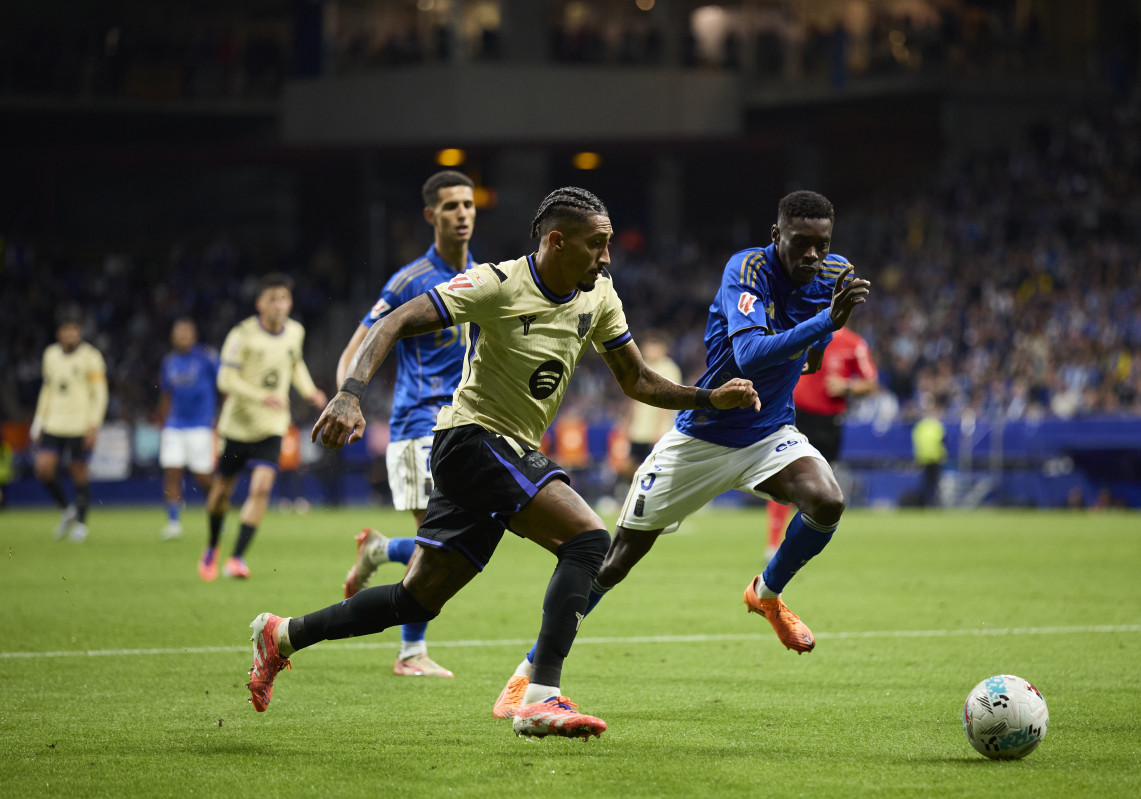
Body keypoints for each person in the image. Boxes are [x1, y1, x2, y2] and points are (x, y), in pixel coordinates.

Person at [243, 187, 759, 740]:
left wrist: (708, 398)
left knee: (415, 598)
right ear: (556, 242)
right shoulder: (497, 283)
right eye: (596, 245)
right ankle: (540, 696)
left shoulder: (600, 296)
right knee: (587, 539)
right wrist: (349, 394)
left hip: (502, 449)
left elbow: (637, 380)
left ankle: (282, 634)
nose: (606, 258)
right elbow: (392, 321)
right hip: (471, 439)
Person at [492, 190, 871, 717]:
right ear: (776, 236)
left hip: (767, 434)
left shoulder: (834, 274)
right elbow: (749, 351)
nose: (812, 255)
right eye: (800, 244)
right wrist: (825, 324)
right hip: (701, 438)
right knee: (614, 561)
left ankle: (766, 592)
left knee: (827, 500)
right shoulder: (749, 270)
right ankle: (527, 675)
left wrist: (821, 340)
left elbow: (808, 359)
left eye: (821, 245)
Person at [338, 170, 477, 679]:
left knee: (460, 540)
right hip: (418, 424)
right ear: (431, 216)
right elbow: (357, 347)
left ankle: (378, 550)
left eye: (467, 204)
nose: (462, 213)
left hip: (465, 426)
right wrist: (345, 398)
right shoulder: (409, 281)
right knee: (437, 546)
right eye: (450, 206)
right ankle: (410, 652)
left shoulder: (484, 275)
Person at [199, 273, 328, 581]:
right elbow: (225, 380)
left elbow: (294, 363)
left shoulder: (295, 331)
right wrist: (261, 396)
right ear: (260, 303)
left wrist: (309, 391)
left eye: (284, 298)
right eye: (272, 299)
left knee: (262, 487)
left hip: (272, 425)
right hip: (237, 426)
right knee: (220, 494)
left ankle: (236, 558)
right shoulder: (241, 335)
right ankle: (212, 547)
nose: (279, 305)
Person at [765, 324, 877, 557]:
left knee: (819, 486)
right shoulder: (802, 333)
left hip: (829, 423)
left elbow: (871, 383)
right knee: (783, 476)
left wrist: (847, 386)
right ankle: (773, 544)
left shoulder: (854, 343)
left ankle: (802, 544)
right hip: (797, 416)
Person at [31, 316, 108, 542]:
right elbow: (47, 389)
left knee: (79, 472)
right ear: (59, 334)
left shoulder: (91, 357)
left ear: (79, 333)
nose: (70, 335)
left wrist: (94, 424)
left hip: (79, 424)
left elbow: (100, 393)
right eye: (66, 331)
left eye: (74, 331)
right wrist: (39, 420)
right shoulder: (50, 355)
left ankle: (81, 524)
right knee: (43, 469)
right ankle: (68, 510)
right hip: (54, 421)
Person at [156, 318, 220, 540]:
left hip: (201, 425)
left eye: (186, 333)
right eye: (179, 333)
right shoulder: (169, 362)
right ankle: (173, 523)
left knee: (203, 477)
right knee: (172, 471)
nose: (183, 337)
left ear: (194, 336)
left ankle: (217, 512)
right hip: (174, 424)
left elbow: (223, 385)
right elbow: (165, 394)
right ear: (173, 337)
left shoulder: (207, 358)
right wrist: (162, 422)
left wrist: (220, 417)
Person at [620, 331, 682, 481]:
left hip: (655, 429)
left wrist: (661, 428)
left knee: (656, 465)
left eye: (651, 347)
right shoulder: (641, 366)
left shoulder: (669, 368)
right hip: (639, 429)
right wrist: (626, 423)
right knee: (632, 463)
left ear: (662, 348)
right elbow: (633, 400)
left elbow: (667, 401)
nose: (647, 350)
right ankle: (629, 492)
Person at [912, 398, 947, 507]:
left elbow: (917, 443)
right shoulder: (937, 425)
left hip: (924, 459)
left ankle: (928, 504)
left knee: (927, 484)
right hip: (935, 458)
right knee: (934, 484)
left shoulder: (920, 426)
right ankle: (933, 504)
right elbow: (943, 441)